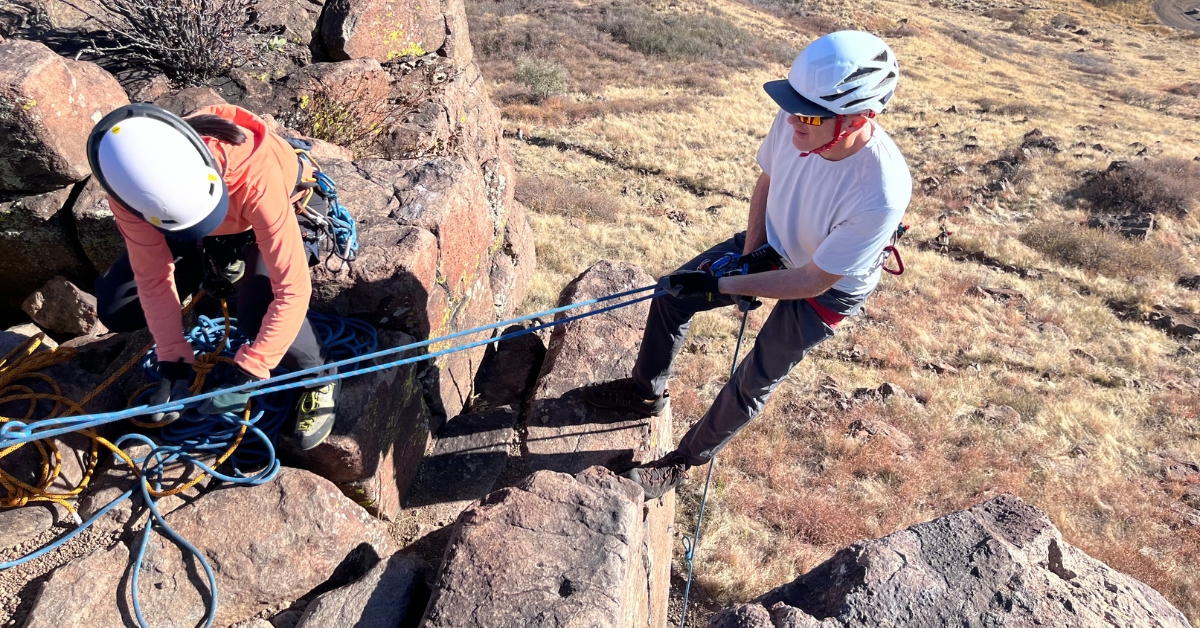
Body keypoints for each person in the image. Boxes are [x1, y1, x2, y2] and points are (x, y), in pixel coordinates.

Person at [585, 31, 913, 498]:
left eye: (810, 114)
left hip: (829, 287)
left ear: (860, 118)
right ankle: (645, 392)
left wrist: (731, 287)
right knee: (670, 294)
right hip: (776, 240)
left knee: (754, 378)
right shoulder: (796, 118)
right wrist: (748, 258)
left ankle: (681, 461)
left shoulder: (880, 190)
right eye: (792, 105)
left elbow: (813, 279)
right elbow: (767, 182)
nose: (793, 120)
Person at [88, 103, 339, 451]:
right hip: (201, 228)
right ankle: (227, 266)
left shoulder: (255, 171)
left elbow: (293, 289)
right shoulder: (129, 185)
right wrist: (173, 359)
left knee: (257, 314)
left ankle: (322, 375)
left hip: (285, 205)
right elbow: (152, 276)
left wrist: (250, 372)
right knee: (119, 307)